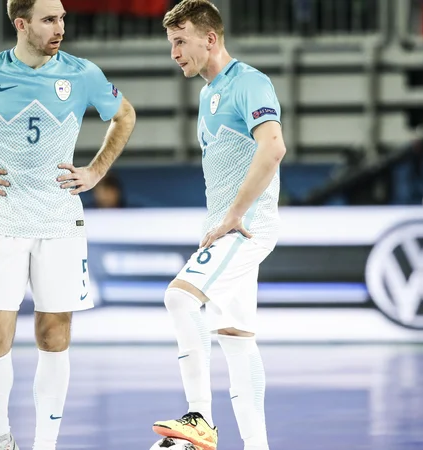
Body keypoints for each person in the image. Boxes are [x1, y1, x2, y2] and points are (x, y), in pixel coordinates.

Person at [0, 1, 136, 449]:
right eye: (49, 20)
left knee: (53, 335)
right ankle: (0, 439)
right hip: (3, 220)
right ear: (21, 24)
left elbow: (124, 116)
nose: (60, 28)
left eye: (62, 19)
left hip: (60, 222)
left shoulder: (82, 74)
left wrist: (94, 171)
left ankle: (45, 445)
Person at [150, 2, 287, 450]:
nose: (174, 52)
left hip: (244, 228)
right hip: (229, 228)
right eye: (170, 43)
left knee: (178, 298)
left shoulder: (248, 82)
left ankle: (199, 422)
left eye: (180, 41)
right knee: (236, 339)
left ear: (209, 38)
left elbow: (273, 148)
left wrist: (234, 215)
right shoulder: (209, 94)